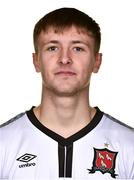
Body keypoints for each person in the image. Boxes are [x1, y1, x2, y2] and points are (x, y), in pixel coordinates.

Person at [0, 7, 134, 179]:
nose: (64, 59)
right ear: (36, 61)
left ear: (97, 61)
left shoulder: (129, 147)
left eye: (78, 48)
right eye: (52, 48)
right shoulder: (4, 144)